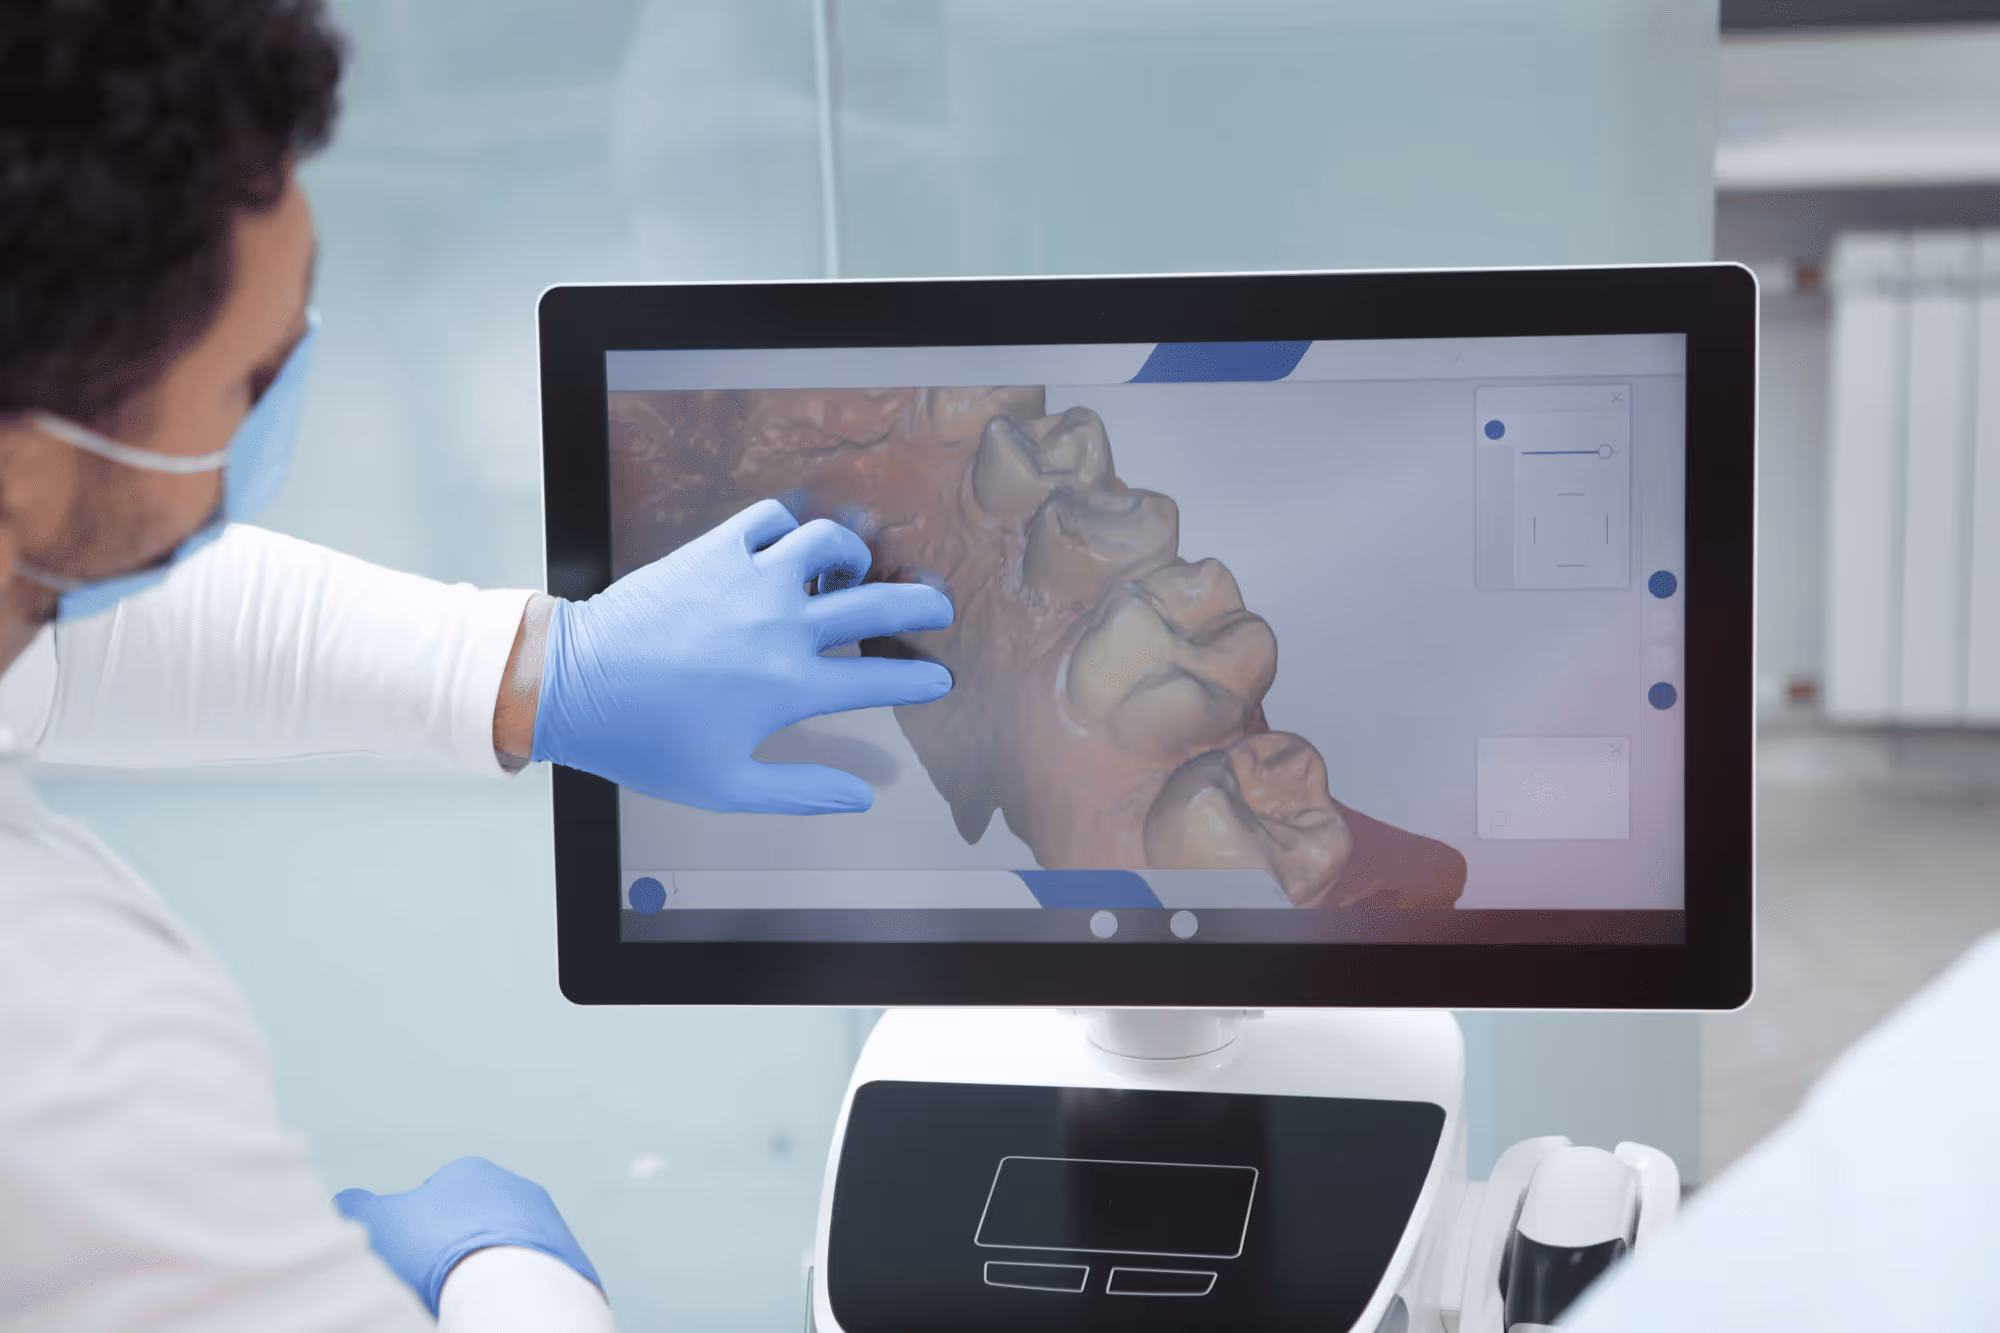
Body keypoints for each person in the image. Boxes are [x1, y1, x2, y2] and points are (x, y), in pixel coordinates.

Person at [0, 2, 952, 1329]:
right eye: (247, 383)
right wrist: (513, 1273)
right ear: (32, 462)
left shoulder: (31, 525)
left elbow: (61, 623)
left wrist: (541, 666)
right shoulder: (59, 1052)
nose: (279, 410)